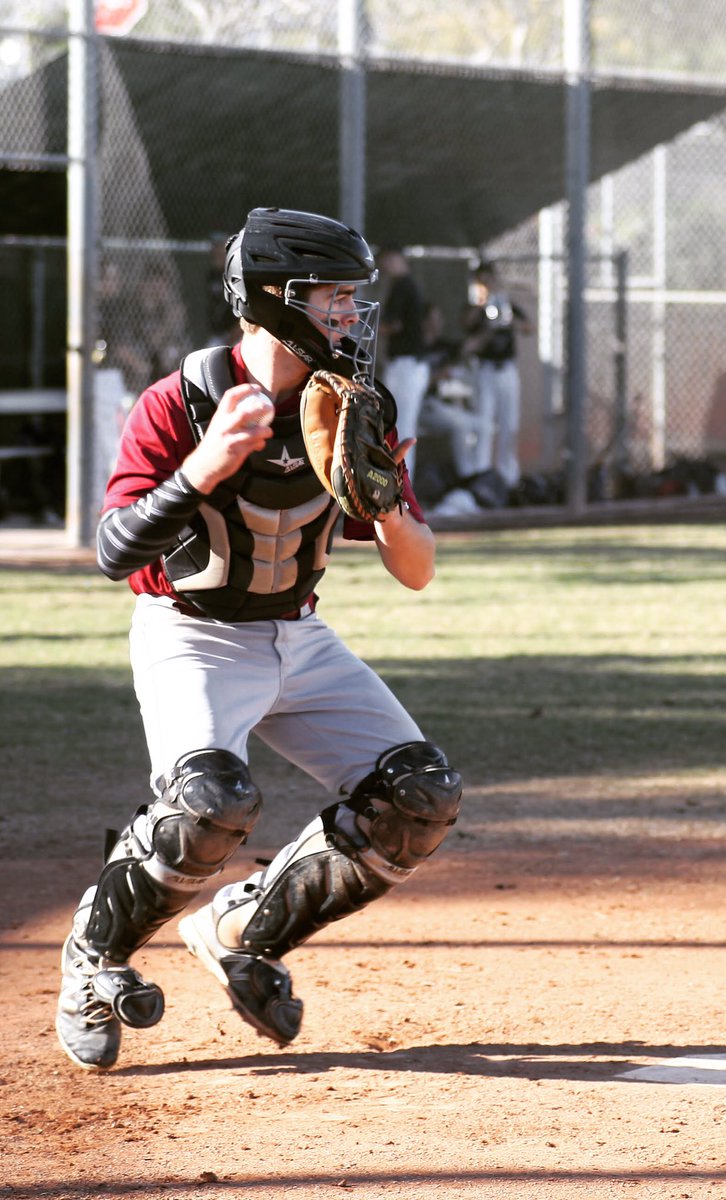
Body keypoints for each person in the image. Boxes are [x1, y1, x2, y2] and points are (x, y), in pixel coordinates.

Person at [54, 207, 463, 1072]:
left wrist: (383, 498)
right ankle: (93, 957)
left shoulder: (351, 405)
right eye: (334, 299)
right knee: (209, 809)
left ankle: (242, 929)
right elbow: (113, 549)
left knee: (420, 798)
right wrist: (202, 466)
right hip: (190, 635)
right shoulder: (183, 398)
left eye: (356, 299)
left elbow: (418, 571)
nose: (352, 317)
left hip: (298, 636)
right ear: (275, 301)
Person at [461, 260, 533, 489]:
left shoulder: (506, 304)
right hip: (484, 371)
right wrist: (483, 306)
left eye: (490, 278)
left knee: (508, 424)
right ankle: (480, 475)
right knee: (483, 424)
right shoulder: (476, 307)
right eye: (482, 280)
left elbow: (529, 328)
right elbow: (466, 325)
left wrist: (508, 316)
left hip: (506, 370)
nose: (487, 283)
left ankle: (508, 477)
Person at [377, 246, 428, 475]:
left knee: (401, 428)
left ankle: (403, 487)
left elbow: (393, 325)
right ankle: (402, 484)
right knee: (398, 427)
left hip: (407, 365)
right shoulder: (406, 285)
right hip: (406, 365)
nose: (385, 265)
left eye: (387, 259)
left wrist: (366, 327)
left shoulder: (403, 285)